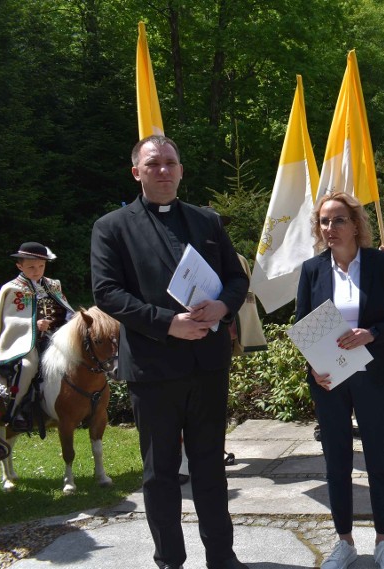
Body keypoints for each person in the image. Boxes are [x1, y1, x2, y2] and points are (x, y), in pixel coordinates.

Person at [90, 135, 250, 569]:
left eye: (171, 163)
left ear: (181, 171)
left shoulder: (207, 221)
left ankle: (222, 557)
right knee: (160, 474)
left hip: (208, 366)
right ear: (136, 172)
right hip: (154, 367)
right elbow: (107, 292)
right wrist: (168, 324)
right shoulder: (112, 227)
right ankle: (170, 561)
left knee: (210, 469)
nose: (163, 171)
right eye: (153, 163)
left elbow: (237, 279)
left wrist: (224, 304)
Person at [296, 192, 384, 569]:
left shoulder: (381, 264)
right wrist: (312, 367)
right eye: (324, 221)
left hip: (374, 374)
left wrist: (372, 333)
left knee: (379, 458)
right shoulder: (312, 270)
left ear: (355, 225)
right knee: (336, 461)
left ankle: (383, 542)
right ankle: (344, 541)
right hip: (329, 378)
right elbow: (303, 325)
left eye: (338, 220)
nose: (330, 228)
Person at [0, 242, 73, 433]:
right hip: (25, 341)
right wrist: (32, 325)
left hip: (54, 336)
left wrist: (74, 320)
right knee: (28, 366)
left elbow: (64, 309)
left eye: (41, 266)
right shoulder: (12, 289)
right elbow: (9, 319)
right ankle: (15, 410)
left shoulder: (53, 285)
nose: (37, 271)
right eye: (31, 267)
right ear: (19, 266)